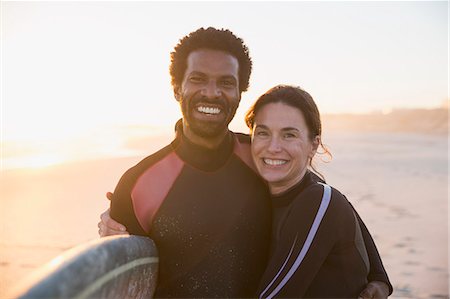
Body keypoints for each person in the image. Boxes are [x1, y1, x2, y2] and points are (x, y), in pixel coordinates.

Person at [99, 27, 392, 298]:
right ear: (177, 88)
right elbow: (123, 277)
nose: (212, 92)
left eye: (226, 83)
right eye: (198, 79)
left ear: (240, 93)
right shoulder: (138, 184)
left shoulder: (261, 157)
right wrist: (109, 231)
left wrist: (379, 277)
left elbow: (327, 203)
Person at [245, 85, 392, 298]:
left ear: (313, 145)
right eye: (263, 133)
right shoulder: (314, 190)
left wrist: (380, 280)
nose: (273, 146)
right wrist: (380, 278)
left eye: (289, 135)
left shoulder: (318, 201)